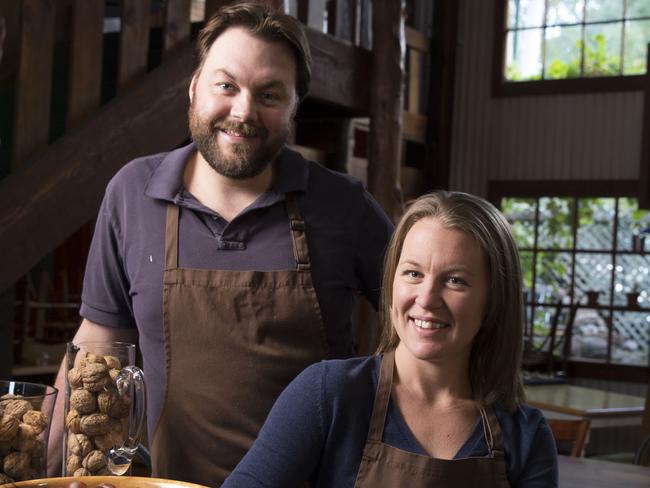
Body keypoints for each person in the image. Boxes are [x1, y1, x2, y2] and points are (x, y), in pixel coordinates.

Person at [47, 2, 393, 486]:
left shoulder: (343, 205)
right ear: (194, 87)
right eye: (225, 85)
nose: (243, 111)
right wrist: (48, 464)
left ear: (294, 107)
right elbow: (97, 345)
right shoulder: (132, 193)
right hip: (167, 483)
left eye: (269, 94)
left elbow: (420, 325)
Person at [222, 191, 559, 488]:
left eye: (455, 280)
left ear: (494, 298)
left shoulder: (526, 436)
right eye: (413, 273)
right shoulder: (329, 395)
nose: (426, 299)